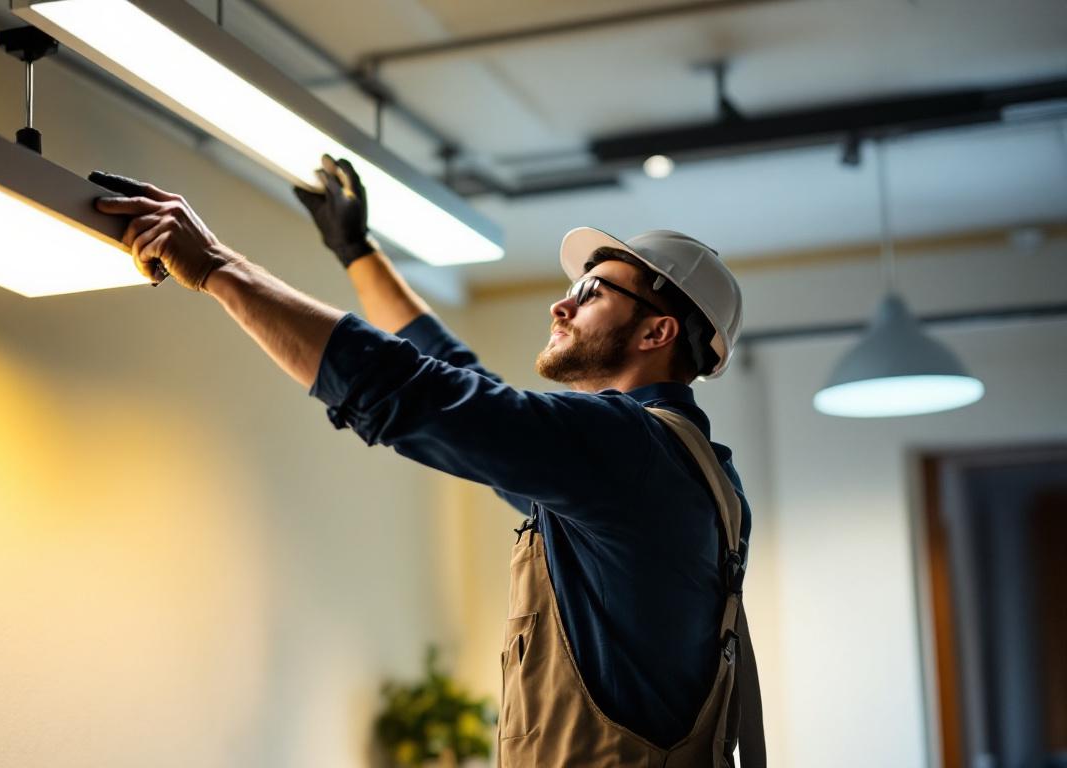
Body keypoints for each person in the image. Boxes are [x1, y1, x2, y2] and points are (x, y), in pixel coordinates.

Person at [88, 155, 764, 768]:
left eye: (592, 293)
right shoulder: (693, 467)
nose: (562, 303)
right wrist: (357, 252)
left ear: (657, 331)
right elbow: (461, 381)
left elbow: (418, 393)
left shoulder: (627, 452)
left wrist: (215, 267)